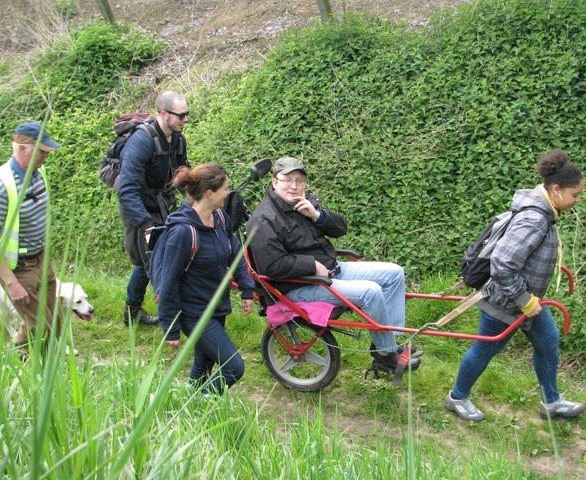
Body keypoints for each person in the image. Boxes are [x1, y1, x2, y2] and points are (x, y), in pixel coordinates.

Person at [445, 149, 586, 422]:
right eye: (575, 195)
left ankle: (551, 402)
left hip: (525, 300)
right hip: (506, 302)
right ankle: (457, 397)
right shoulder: (534, 218)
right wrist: (524, 300)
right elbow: (503, 263)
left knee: (548, 341)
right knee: (485, 349)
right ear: (556, 190)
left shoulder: (545, 211)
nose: (577, 200)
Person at [246, 156, 421, 374]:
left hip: (332, 270)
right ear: (274, 182)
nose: (294, 186)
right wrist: (311, 265)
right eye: (287, 180)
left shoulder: (305, 203)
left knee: (395, 273)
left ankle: (387, 344)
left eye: (299, 180)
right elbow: (271, 266)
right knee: (371, 292)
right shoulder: (264, 219)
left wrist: (317, 215)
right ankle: (387, 356)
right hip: (299, 286)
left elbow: (341, 229)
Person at [156, 163, 254, 393]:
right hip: (195, 314)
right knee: (233, 367)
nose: (228, 193)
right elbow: (168, 281)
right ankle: (201, 401)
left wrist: (247, 288)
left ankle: (193, 410)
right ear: (209, 193)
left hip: (217, 306)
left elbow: (235, 251)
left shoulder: (220, 217)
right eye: (225, 189)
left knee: (204, 363)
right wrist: (170, 326)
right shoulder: (182, 233)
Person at [0, 121, 62, 347]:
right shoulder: (0, 186)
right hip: (19, 266)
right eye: (42, 151)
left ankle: (41, 366)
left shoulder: (38, 173)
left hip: (41, 258)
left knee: (53, 319)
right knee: (41, 328)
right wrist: (12, 284)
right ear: (23, 149)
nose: (46, 156)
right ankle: (29, 372)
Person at [118, 91, 190, 326]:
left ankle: (132, 311)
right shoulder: (141, 141)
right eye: (181, 116)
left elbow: (183, 176)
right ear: (163, 114)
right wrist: (147, 225)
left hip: (162, 204)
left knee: (148, 261)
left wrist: (197, 200)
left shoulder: (178, 140)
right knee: (154, 261)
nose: (185, 120)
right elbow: (127, 190)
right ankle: (172, 320)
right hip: (138, 208)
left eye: (187, 115)